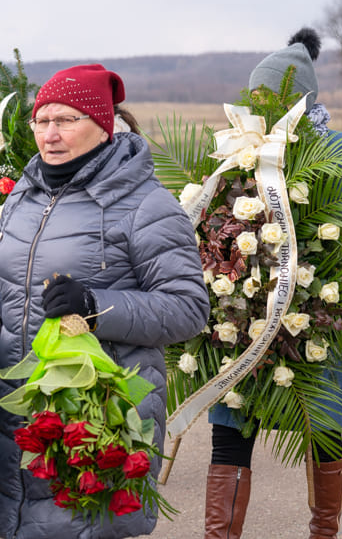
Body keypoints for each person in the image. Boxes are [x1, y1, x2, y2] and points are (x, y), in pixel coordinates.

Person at [0, 64, 210, 538]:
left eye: (67, 120)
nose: (50, 134)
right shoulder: (21, 199)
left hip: (91, 419)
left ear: (104, 125)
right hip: (16, 416)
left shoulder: (146, 205)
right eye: (42, 120)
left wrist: (94, 307)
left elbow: (188, 308)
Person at [204, 28, 342, 539]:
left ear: (300, 98)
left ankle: (324, 531)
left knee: (321, 429)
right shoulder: (237, 153)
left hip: (314, 313)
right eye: (254, 96)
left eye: (270, 97)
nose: (260, 106)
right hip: (243, 313)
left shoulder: (339, 150)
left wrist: (302, 232)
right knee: (230, 426)